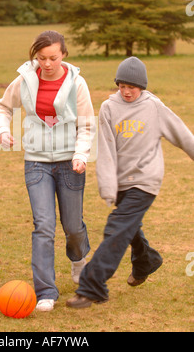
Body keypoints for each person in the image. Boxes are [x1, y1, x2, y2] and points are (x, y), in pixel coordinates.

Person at [67, 56, 194, 308]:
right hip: (121, 181)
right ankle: (147, 260)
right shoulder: (109, 107)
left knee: (117, 227)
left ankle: (93, 286)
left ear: (142, 87)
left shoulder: (154, 107)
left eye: (131, 87)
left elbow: (182, 134)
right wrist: (107, 186)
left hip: (146, 180)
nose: (126, 91)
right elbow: (106, 149)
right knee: (128, 227)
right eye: (121, 86)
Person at [0, 31, 95, 311]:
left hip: (70, 162)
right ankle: (46, 291)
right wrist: (2, 130)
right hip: (36, 162)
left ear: (63, 54)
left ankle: (78, 260)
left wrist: (80, 154)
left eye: (52, 58)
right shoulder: (25, 79)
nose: (47, 64)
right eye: (41, 58)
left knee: (73, 227)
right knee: (44, 227)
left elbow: (86, 125)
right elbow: (3, 108)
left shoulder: (77, 83)